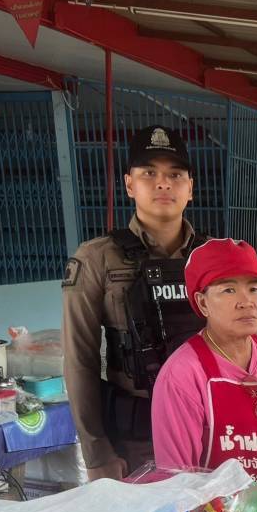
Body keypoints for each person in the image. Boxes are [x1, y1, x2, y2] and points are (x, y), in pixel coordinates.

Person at [62, 125, 207, 481]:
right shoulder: (97, 259)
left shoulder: (214, 256)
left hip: (211, 430)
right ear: (129, 185)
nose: (163, 183)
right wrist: (96, 453)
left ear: (190, 187)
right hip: (135, 441)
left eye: (175, 174)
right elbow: (80, 360)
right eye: (149, 173)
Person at [151, 237, 257, 491]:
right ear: (202, 303)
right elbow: (177, 484)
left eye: (254, 289)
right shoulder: (182, 375)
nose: (246, 301)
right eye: (228, 290)